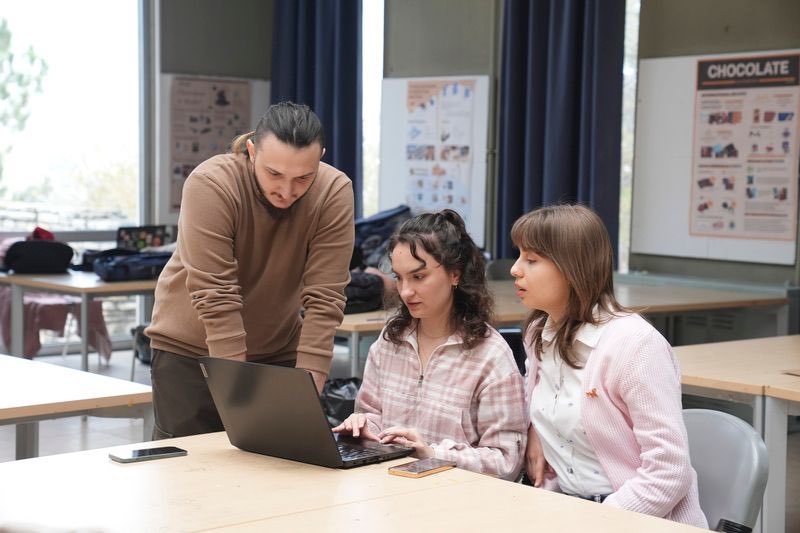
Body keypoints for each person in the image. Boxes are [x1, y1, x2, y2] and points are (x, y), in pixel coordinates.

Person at [146, 102, 355, 439]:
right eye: (274, 174)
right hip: (189, 353)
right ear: (252, 151)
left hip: (277, 350)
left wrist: (310, 382)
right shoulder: (211, 184)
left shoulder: (333, 191)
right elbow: (216, 296)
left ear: (321, 158)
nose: (287, 191)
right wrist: (236, 393)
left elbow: (326, 295)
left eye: (303, 177)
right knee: (189, 478)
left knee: (279, 474)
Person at [510, 204, 706, 527]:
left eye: (531, 260)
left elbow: (670, 471)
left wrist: (597, 519)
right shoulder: (538, 333)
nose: (516, 269)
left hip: (633, 519)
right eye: (519, 256)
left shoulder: (635, 345)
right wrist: (536, 433)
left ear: (574, 269)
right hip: (567, 511)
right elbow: (543, 403)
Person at [333, 210, 527, 480]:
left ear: (454, 274)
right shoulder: (392, 340)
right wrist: (363, 425)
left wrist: (431, 454)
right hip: (388, 495)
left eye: (419, 277)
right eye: (399, 278)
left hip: (456, 505)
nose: (405, 291)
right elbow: (373, 414)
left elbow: (507, 461)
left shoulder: (490, 356)